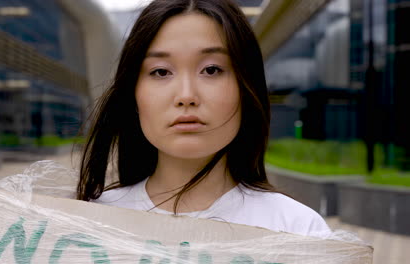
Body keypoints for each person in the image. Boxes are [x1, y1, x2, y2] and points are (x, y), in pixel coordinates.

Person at [77, 0, 331, 237]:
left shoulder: (298, 230)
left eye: (211, 70)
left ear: (247, 88)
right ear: (133, 93)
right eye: (161, 71)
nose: (186, 96)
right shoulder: (87, 224)